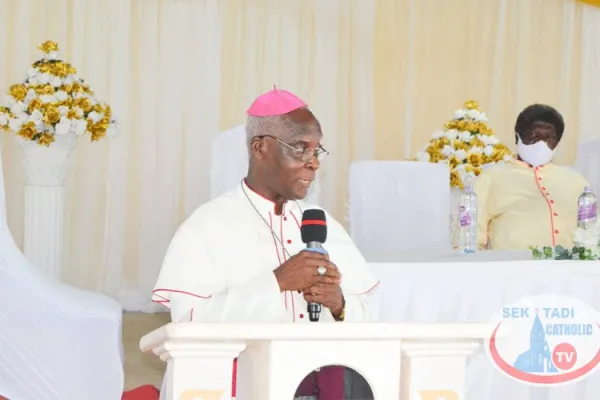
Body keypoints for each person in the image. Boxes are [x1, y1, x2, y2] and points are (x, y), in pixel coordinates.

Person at [152, 86, 379, 400]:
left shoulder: (322, 223)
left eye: (317, 151)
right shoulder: (207, 226)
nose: (314, 163)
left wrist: (340, 304)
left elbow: (374, 316)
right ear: (260, 148)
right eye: (300, 148)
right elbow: (187, 328)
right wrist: (278, 282)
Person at [473, 104, 590, 250]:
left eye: (549, 138)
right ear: (517, 137)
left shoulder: (577, 182)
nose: (541, 144)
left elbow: (592, 232)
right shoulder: (491, 178)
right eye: (534, 136)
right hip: (512, 269)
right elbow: (471, 238)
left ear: (557, 143)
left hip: (571, 270)